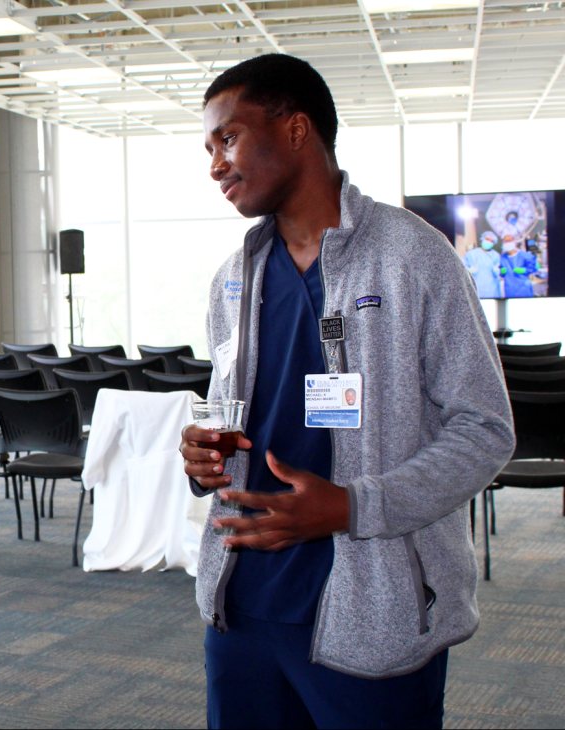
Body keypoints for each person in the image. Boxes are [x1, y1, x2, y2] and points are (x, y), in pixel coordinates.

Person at [179, 54, 515, 729]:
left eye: (230, 137)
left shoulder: (413, 256)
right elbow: (232, 413)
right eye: (209, 146)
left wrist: (354, 506)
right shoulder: (232, 279)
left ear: (297, 130)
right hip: (242, 608)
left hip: (375, 613)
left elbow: (485, 430)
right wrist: (200, 458)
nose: (215, 162)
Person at [462, 231, 503, 298]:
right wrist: (469, 270)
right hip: (476, 288)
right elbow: (461, 268)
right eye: (487, 239)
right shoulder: (471, 254)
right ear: (482, 239)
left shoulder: (496, 256)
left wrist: (498, 272)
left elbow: (500, 273)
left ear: (494, 243)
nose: (489, 242)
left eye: (491, 241)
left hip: (492, 290)